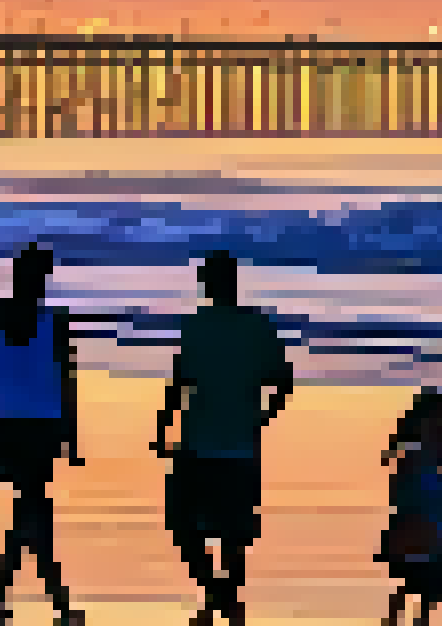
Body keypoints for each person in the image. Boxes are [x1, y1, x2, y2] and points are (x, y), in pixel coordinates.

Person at [152, 250, 294, 626]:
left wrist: (162, 425)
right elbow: (283, 381)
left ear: (208, 284)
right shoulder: (256, 326)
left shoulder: (197, 325)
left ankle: (217, 594)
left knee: (184, 525)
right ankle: (224, 598)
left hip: (199, 442)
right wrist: (263, 418)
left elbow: (179, 384)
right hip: (237, 445)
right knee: (233, 533)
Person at [0, 243, 83, 624]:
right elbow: (68, 384)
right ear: (43, 279)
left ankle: (13, 598)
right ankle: (51, 599)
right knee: (33, 509)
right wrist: (72, 436)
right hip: (39, 428)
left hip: (0, 425)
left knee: (31, 507)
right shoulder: (57, 322)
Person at [377, 389, 442, 626]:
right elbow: (424, 485)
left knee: (414, 582)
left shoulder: (417, 447)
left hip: (419, 522)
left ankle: (396, 622)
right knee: (422, 583)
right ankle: (399, 622)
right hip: (422, 524)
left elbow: (416, 486)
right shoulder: (418, 449)